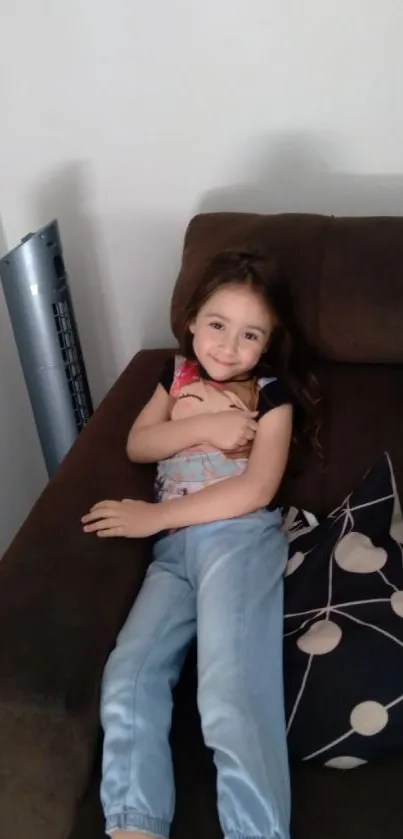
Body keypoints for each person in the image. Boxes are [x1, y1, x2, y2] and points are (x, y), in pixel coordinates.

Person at [82, 250, 320, 839]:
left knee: (228, 689)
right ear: (191, 321)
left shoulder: (272, 396)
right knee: (129, 675)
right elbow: (139, 445)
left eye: (250, 334)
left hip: (235, 541)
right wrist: (206, 428)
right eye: (217, 324)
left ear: (267, 345)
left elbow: (256, 490)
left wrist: (154, 515)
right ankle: (134, 823)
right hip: (172, 553)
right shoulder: (176, 376)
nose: (228, 345)